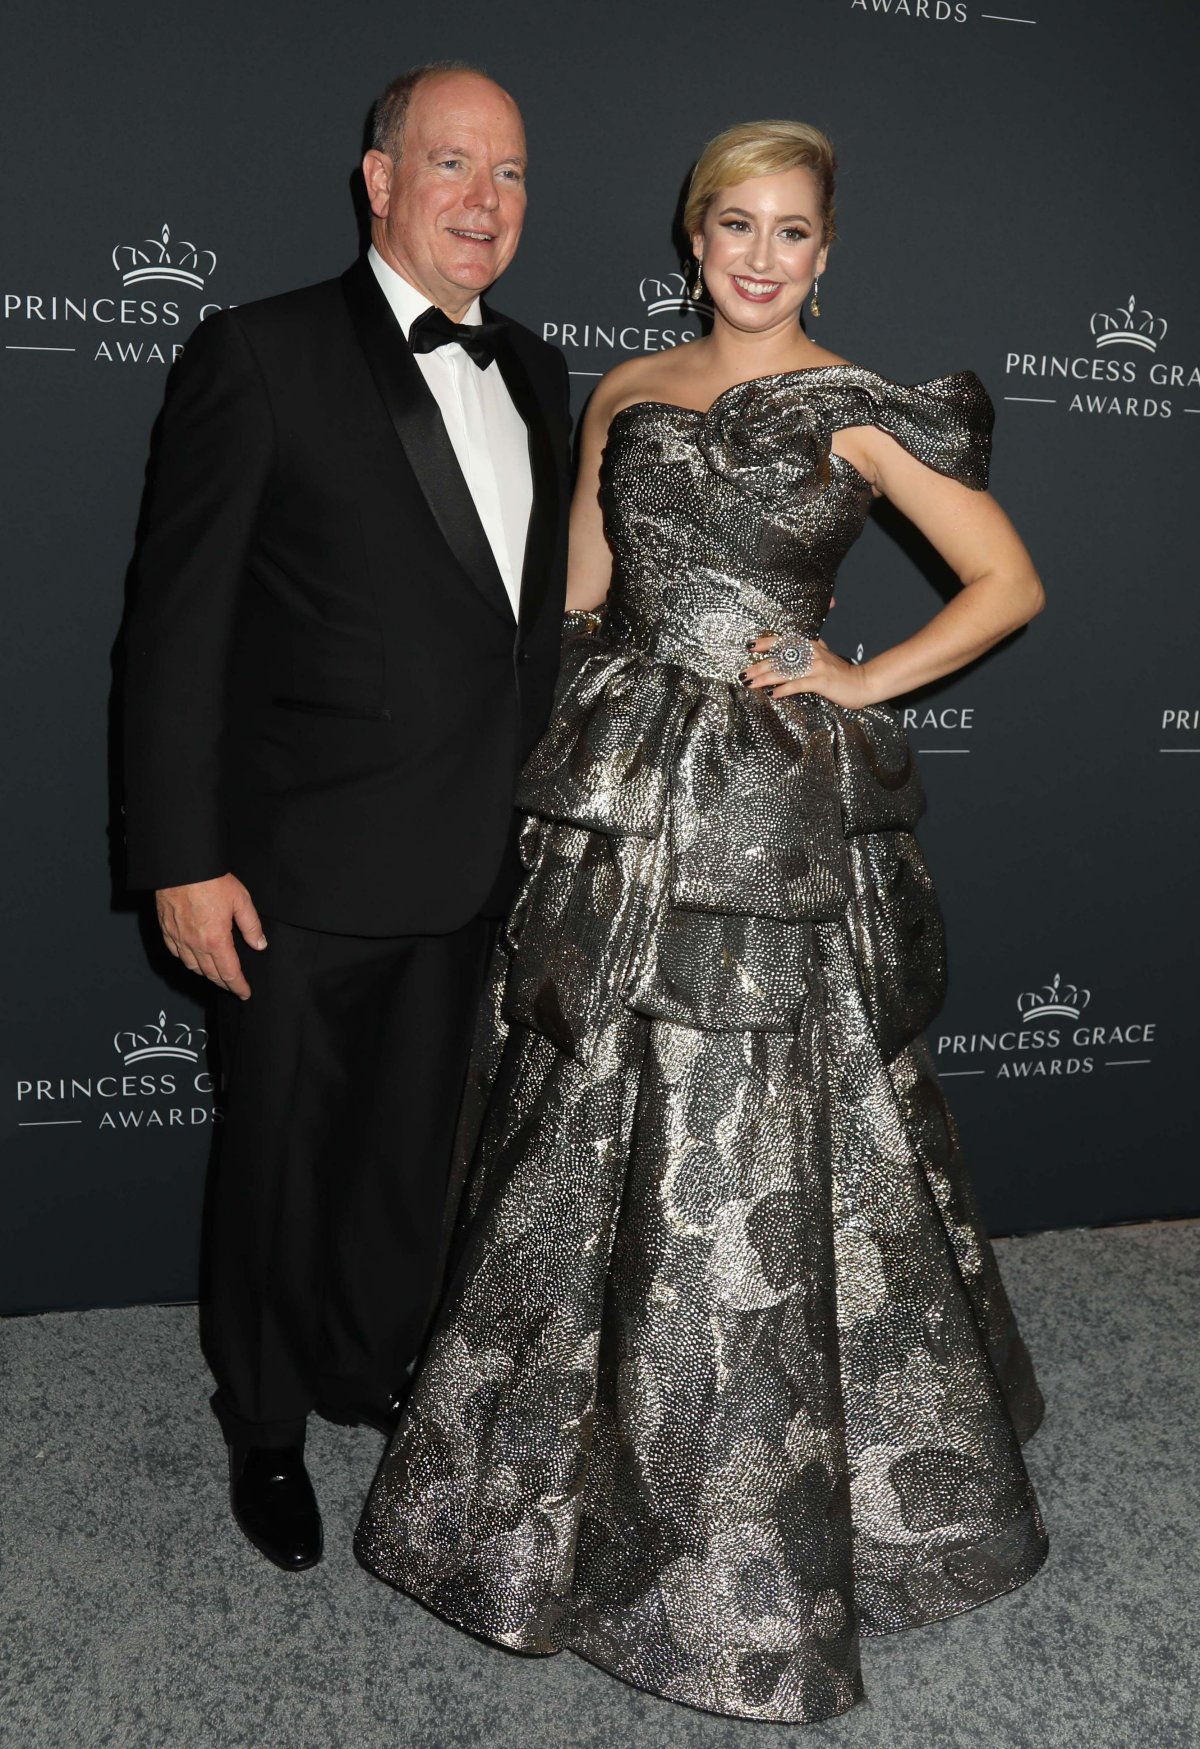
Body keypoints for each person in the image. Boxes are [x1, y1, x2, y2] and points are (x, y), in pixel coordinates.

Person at [355, 118, 1049, 1724]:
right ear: (694, 237)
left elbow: (1006, 581)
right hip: (622, 780)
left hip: (766, 806)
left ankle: (771, 1501)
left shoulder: (855, 408)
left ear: (825, 251)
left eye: (791, 231)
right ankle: (558, 1476)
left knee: (765, 1123)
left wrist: (856, 677)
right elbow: (580, 591)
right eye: (736, 225)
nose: (760, 256)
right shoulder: (625, 391)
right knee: (578, 1109)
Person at [120, 64, 571, 1572]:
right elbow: (176, 635)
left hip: (473, 856)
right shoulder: (259, 354)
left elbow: (520, 629)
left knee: (406, 1160)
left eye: (510, 174)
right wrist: (182, 857)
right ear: (380, 180)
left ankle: (368, 1364)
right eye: (452, 164)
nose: (483, 201)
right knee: (277, 1165)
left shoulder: (539, 371)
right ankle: (261, 1422)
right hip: (297, 872)